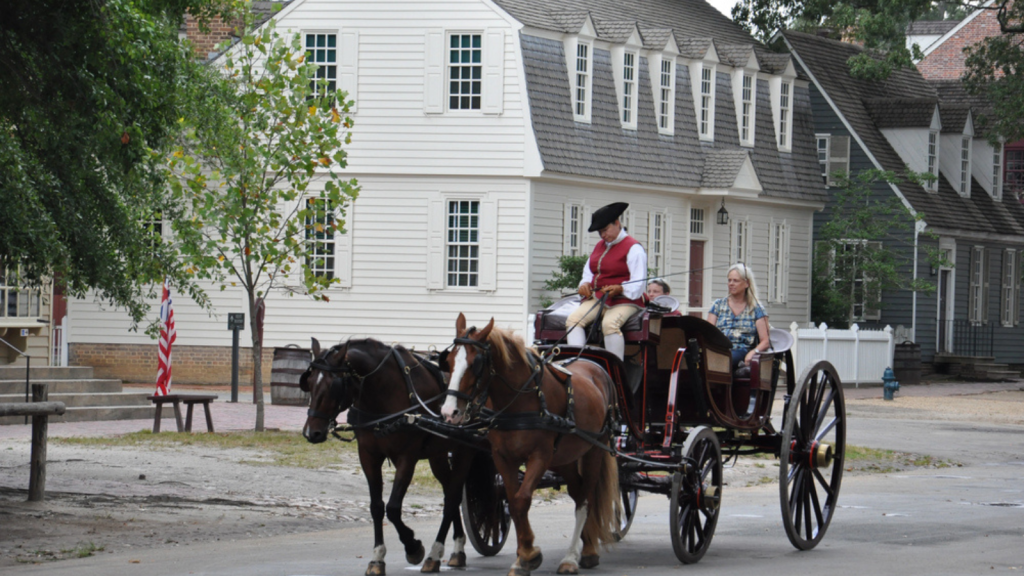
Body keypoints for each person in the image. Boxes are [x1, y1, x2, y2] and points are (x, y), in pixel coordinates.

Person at [566, 202, 647, 361]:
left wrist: (621, 289)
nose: (602, 235)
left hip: (627, 300)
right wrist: (585, 285)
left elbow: (639, 283)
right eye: (599, 232)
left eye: (605, 230)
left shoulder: (633, 248)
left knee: (610, 324)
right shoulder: (599, 246)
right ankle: (578, 364)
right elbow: (589, 272)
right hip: (599, 298)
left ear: (617, 224)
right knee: (573, 320)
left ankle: (615, 372)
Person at [706, 263, 770, 375]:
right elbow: (707, 333)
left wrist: (752, 353)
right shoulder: (718, 305)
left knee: (726, 360)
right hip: (718, 349)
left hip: (742, 350)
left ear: (746, 283)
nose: (731, 284)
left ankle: (724, 391)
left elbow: (765, 341)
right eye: (729, 280)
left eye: (735, 281)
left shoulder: (756, 308)